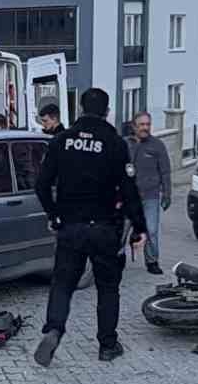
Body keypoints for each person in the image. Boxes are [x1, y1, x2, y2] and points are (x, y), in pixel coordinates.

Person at [33, 88, 147, 366]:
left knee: (62, 284)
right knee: (108, 287)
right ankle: (107, 345)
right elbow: (129, 190)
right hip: (105, 228)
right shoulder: (116, 143)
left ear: (80, 110)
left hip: (70, 227)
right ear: (107, 111)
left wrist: (53, 213)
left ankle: (54, 329)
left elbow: (41, 184)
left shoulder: (61, 141)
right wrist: (140, 229)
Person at [127, 113, 172, 276]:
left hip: (150, 196)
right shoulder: (126, 144)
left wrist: (167, 194)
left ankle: (152, 261)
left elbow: (165, 171)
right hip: (128, 198)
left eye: (148, 124)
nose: (145, 127)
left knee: (151, 230)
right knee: (120, 230)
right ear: (134, 126)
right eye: (141, 125)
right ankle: (115, 259)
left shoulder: (157, 145)